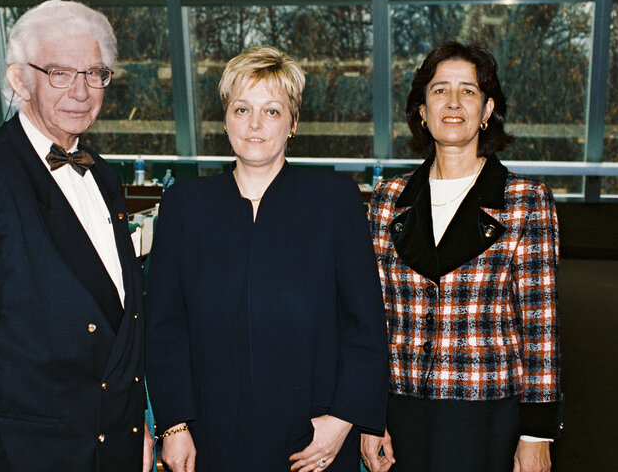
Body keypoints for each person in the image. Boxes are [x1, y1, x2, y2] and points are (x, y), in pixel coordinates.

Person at [0, 0, 151, 471]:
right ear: (20, 80)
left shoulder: (104, 177)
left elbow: (118, 325)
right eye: (59, 73)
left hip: (108, 450)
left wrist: (134, 427)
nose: (81, 91)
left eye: (94, 73)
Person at [145, 45, 389, 472]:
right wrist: (174, 427)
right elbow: (165, 329)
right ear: (225, 119)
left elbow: (365, 326)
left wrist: (342, 420)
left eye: (272, 111)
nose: (255, 124)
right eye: (242, 109)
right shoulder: (184, 205)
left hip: (314, 443)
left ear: (293, 123)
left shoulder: (335, 202)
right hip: (211, 439)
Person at [363, 42, 563, 472]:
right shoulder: (386, 201)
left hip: (487, 414)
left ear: (488, 109)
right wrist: (369, 416)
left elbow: (541, 327)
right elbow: (369, 320)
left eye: (468, 91)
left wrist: (537, 433)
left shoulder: (525, 201)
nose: (453, 103)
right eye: (439, 90)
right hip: (400, 413)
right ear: (421, 109)